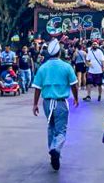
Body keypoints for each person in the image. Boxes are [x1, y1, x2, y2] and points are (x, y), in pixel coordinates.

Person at [31, 40, 79, 171]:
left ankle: (52, 150)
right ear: (59, 53)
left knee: (51, 127)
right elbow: (74, 85)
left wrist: (35, 104)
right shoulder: (67, 67)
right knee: (61, 130)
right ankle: (56, 149)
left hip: (47, 103)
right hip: (61, 102)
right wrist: (76, 98)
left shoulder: (43, 67)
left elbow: (37, 88)